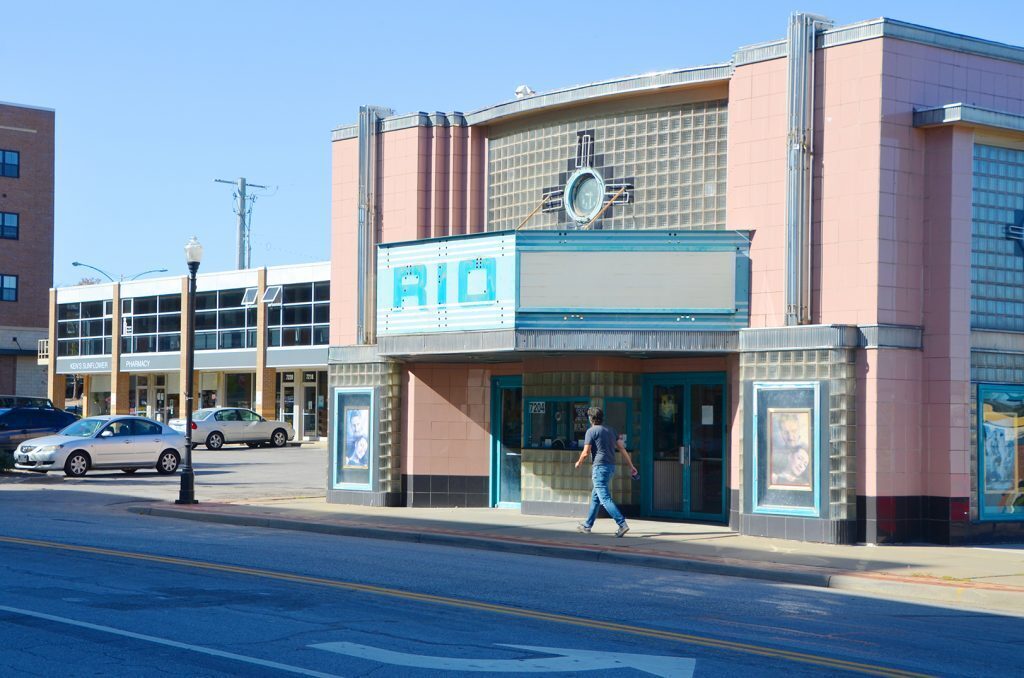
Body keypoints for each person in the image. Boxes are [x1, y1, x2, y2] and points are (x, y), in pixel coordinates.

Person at [574, 406, 637, 537]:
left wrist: (579, 462)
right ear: (602, 418)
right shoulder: (611, 430)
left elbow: (585, 452)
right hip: (610, 467)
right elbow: (622, 449)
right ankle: (587, 525)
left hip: (599, 467)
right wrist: (631, 466)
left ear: (591, 418)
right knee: (596, 497)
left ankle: (622, 524)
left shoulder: (591, 432)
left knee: (605, 498)